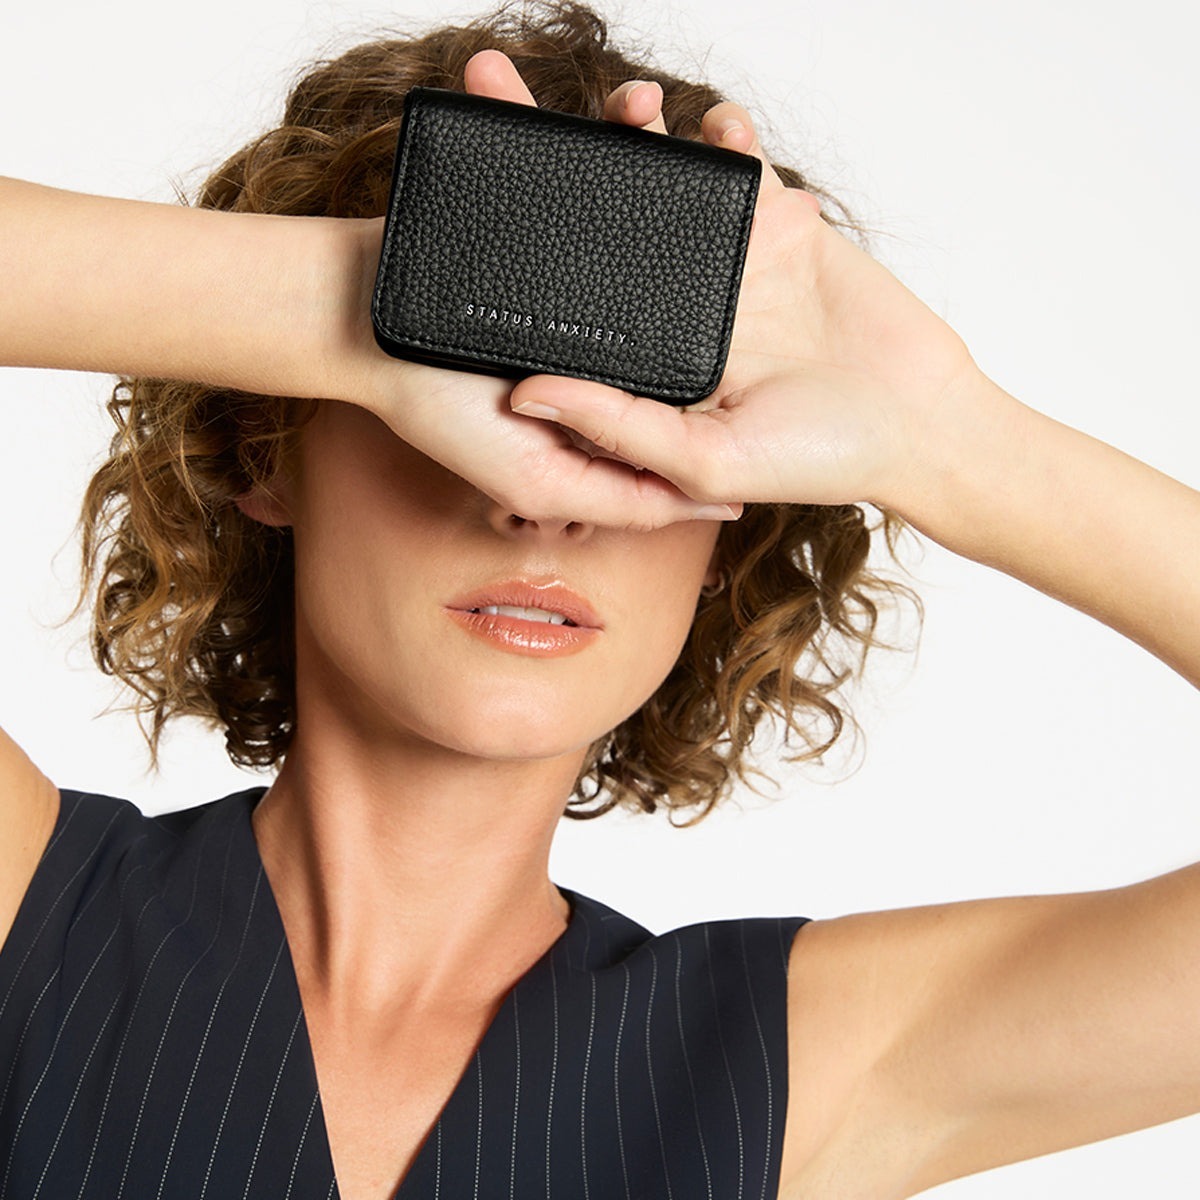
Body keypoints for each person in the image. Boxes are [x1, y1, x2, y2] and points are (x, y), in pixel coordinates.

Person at [1, 1, 1197, 1198]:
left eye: (642, 435)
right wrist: (355, 295)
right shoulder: (33, 916)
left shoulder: (781, 1073)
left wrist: (945, 435)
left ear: (729, 532)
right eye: (469, 388)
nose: (545, 503)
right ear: (269, 445)